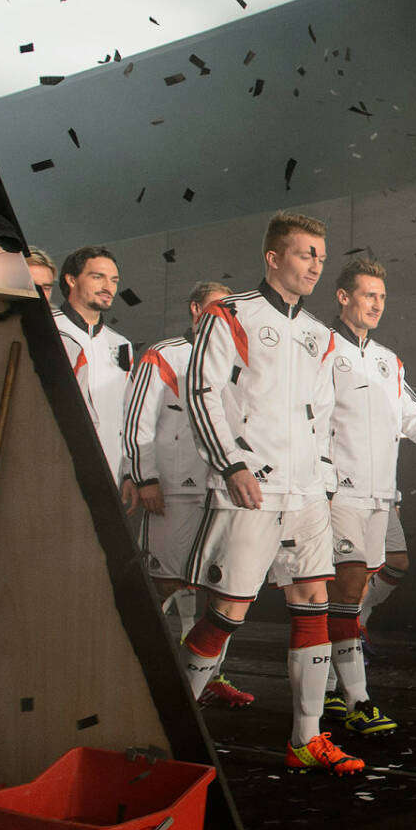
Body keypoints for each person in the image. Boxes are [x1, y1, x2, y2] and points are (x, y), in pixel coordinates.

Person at [182, 211, 362, 775]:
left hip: (306, 492)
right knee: (229, 612)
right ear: (273, 257)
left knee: (313, 603)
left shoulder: (318, 333)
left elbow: (325, 414)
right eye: (305, 252)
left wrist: (324, 478)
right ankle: (170, 723)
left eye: (320, 255)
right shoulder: (229, 313)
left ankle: (305, 739)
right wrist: (231, 464)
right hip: (249, 489)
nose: (315, 263)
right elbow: (202, 392)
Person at [321, 258, 416, 735]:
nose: (377, 304)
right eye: (368, 294)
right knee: (346, 595)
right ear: (343, 296)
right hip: (335, 494)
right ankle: (359, 700)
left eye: (382, 297)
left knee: (349, 596)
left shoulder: (389, 359)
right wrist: (321, 482)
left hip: (380, 495)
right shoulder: (320, 348)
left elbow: (414, 417)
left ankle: (331, 689)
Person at [120, 280, 254, 708]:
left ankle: (209, 675)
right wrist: (146, 478)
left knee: (221, 590)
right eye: (216, 308)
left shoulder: (240, 356)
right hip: (174, 493)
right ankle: (135, 672)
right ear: (196, 309)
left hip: (221, 492)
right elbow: (137, 421)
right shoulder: (164, 354)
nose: (223, 317)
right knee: (163, 584)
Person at [53, 245, 133, 482]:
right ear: (71, 279)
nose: (108, 287)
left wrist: (129, 473)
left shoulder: (121, 344)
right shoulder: (49, 329)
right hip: (57, 464)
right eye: (97, 277)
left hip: (111, 471)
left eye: (114, 280)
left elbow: (128, 412)